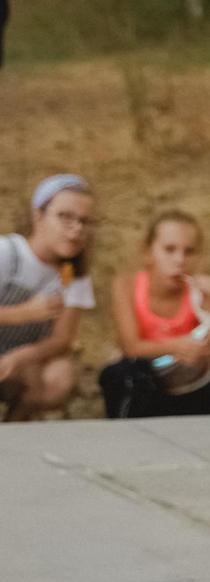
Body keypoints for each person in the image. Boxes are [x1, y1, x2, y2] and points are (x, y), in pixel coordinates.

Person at [100, 211, 210, 418]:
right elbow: (131, 347)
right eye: (169, 250)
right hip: (150, 385)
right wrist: (177, 345)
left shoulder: (202, 293)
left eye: (190, 252)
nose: (180, 260)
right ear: (149, 252)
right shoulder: (127, 285)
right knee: (120, 375)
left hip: (194, 385)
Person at [0, 173, 99, 420]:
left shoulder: (74, 273)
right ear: (39, 215)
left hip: (18, 357)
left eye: (84, 221)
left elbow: (62, 339)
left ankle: (15, 431)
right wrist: (22, 314)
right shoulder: (7, 253)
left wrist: (21, 356)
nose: (76, 229)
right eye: (65, 217)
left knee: (58, 376)